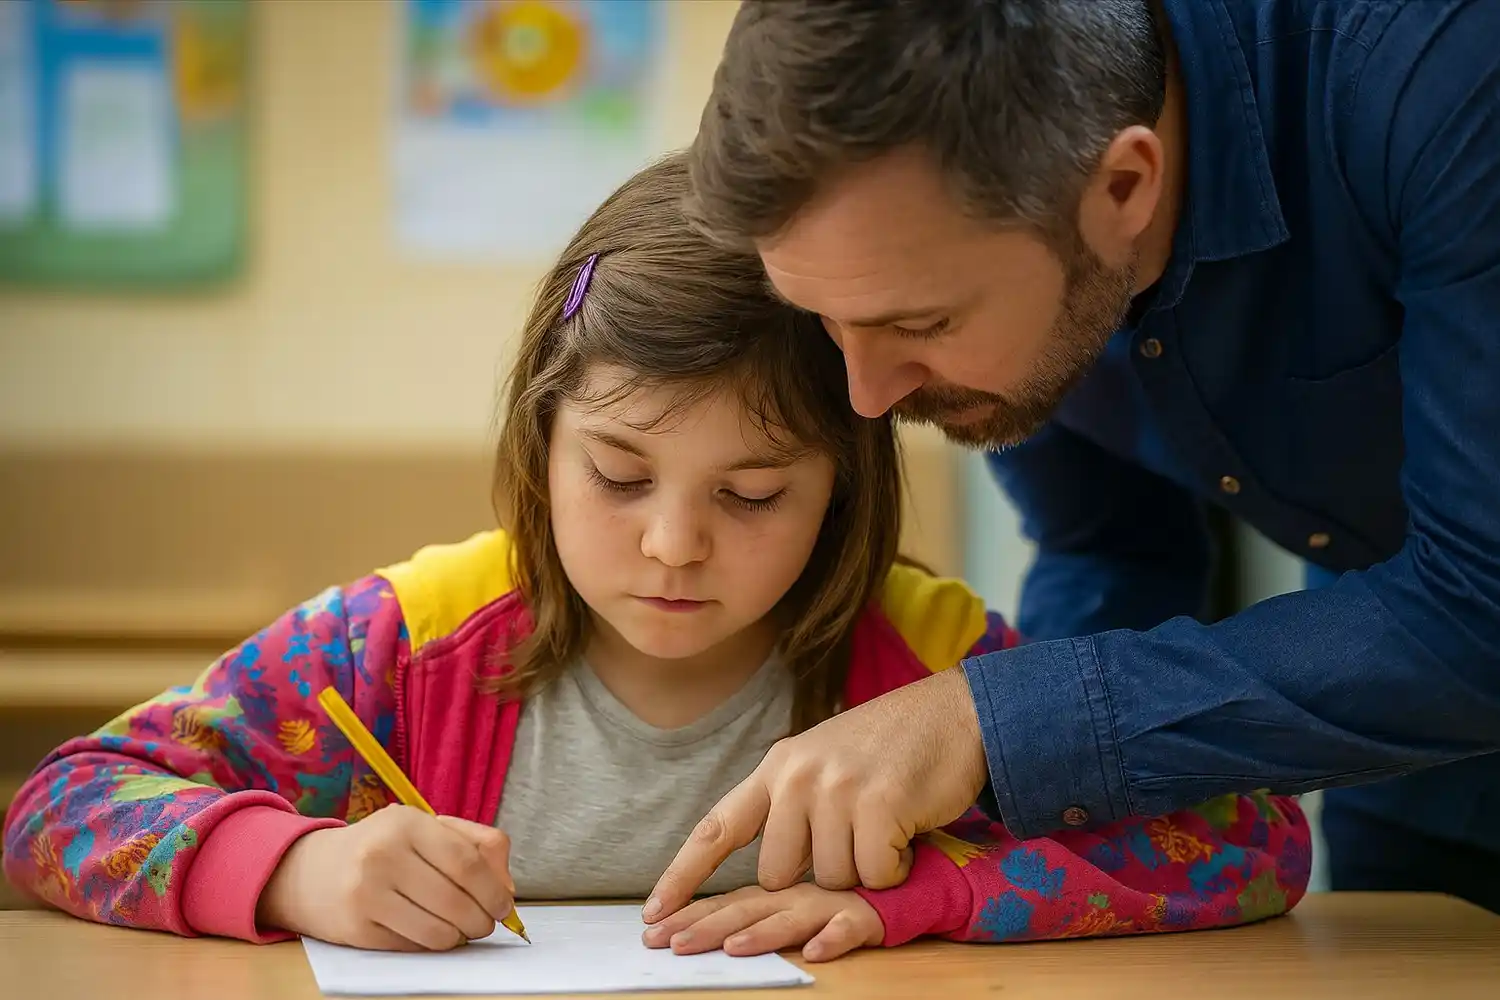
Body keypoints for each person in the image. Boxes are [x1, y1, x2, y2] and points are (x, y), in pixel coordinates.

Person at [0, 155, 1309, 960]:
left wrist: (937, 893)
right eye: (619, 478)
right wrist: (297, 867)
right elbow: (56, 807)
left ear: (843, 488)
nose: (675, 546)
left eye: (753, 494)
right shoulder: (401, 642)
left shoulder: (924, 664)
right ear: (540, 446)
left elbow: (1252, 841)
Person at [645, 0, 1500, 924]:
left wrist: (986, 721)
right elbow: (1112, 553)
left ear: (1124, 187)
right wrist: (982, 869)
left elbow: (1484, 603)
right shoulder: (1009, 243)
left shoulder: (1441, 75)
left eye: (922, 323)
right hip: (1422, 771)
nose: (868, 396)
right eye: (825, 319)